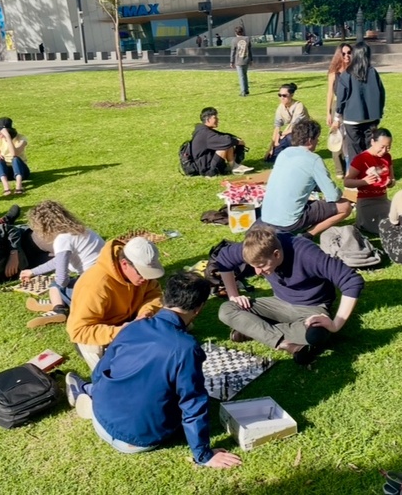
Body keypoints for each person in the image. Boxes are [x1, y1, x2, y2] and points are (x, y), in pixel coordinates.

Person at [64, 272, 242, 469]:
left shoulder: (134, 326)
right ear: (199, 308)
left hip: (101, 418)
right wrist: (203, 455)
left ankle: (84, 391)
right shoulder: (186, 348)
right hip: (139, 441)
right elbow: (192, 404)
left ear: (165, 298)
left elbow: (99, 372)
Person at [213, 225, 364, 365]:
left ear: (276, 254)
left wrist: (336, 324)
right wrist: (233, 295)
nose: (258, 273)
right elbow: (224, 258)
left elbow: (351, 280)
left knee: (315, 335)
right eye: (253, 267)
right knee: (227, 309)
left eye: (261, 266)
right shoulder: (255, 249)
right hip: (278, 302)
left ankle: (254, 329)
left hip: (311, 308)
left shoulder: (307, 253)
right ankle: (287, 345)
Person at [66, 236, 165, 371]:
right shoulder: (95, 285)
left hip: (132, 320)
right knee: (118, 371)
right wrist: (119, 332)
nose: (146, 278)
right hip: (105, 331)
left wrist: (147, 312)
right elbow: (78, 331)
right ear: (124, 264)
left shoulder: (141, 277)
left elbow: (154, 294)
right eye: (141, 273)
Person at [260, 119, 351, 240]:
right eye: (317, 138)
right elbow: (333, 196)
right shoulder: (313, 159)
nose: (318, 141)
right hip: (289, 222)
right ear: (309, 140)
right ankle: (308, 235)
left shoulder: (284, 153)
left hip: (266, 216)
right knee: (345, 206)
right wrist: (340, 193)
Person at [20, 201, 105, 329]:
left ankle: (58, 310)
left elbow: (62, 279)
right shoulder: (82, 230)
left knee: (55, 285)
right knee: (67, 283)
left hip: (94, 287)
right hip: (105, 277)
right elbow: (58, 261)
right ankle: (57, 301)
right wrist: (34, 271)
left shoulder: (62, 240)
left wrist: (56, 287)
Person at [335, 42, 385, 166]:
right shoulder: (372, 72)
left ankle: (355, 175)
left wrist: (338, 114)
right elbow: (381, 93)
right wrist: (379, 110)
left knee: (354, 148)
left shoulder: (346, 74)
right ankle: (371, 170)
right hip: (371, 116)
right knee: (370, 146)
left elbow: (341, 97)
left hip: (352, 117)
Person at [344, 128, 394, 235]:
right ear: (372, 142)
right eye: (382, 147)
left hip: (382, 199)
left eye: (388, 147)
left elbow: (392, 180)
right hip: (366, 201)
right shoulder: (361, 159)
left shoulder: (387, 157)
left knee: (396, 221)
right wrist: (364, 182)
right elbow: (347, 182)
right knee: (384, 228)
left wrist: (390, 182)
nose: (384, 151)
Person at [188, 107, 251, 176]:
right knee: (224, 145)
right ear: (208, 119)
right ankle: (229, 167)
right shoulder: (205, 133)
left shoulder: (203, 130)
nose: (218, 120)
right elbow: (226, 141)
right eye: (215, 118)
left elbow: (224, 136)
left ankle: (233, 166)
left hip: (206, 163)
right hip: (206, 170)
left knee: (225, 142)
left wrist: (236, 139)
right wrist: (239, 142)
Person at [325, 43, 353, 178]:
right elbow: (330, 93)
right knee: (336, 137)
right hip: (338, 106)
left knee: (349, 136)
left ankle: (349, 166)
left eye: (349, 53)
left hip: (351, 106)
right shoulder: (334, 72)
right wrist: (328, 113)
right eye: (343, 53)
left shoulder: (354, 70)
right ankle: (339, 170)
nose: (347, 56)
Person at [266, 82, 309, 164]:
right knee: (271, 158)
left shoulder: (299, 106)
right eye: (280, 95)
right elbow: (277, 127)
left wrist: (282, 134)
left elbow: (294, 126)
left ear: (291, 95)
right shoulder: (281, 107)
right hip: (290, 131)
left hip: (304, 132)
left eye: (284, 95)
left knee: (290, 138)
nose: (282, 98)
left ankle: (298, 156)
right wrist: (272, 147)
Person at [0, 117, 30, 195]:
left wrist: (8, 137)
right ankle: (6, 187)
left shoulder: (21, 139)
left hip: (21, 170)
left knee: (15, 159)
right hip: (5, 171)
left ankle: (19, 185)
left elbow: (14, 153)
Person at [229, 26, 252, 97]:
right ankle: (246, 90)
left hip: (238, 60)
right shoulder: (247, 39)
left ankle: (243, 92)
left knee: (241, 76)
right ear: (242, 32)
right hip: (246, 59)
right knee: (245, 75)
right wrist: (251, 59)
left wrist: (231, 61)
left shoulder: (234, 40)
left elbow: (233, 51)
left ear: (235, 32)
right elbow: (250, 50)